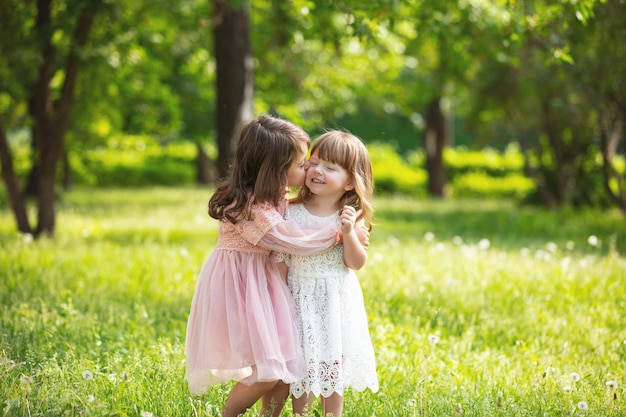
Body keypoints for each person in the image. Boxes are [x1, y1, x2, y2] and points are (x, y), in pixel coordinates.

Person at [185, 115, 342, 417]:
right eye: (300, 164)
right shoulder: (252, 206)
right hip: (244, 288)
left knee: (284, 369)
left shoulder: (274, 195)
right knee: (269, 371)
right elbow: (291, 241)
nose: (307, 167)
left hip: (264, 285)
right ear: (275, 170)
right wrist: (335, 235)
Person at [281, 130, 379, 417]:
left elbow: (355, 263)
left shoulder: (350, 216)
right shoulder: (291, 211)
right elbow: (281, 259)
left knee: (332, 362)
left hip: (336, 301)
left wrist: (348, 232)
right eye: (314, 162)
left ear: (350, 181)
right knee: (303, 366)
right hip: (299, 297)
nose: (317, 171)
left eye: (330, 167)